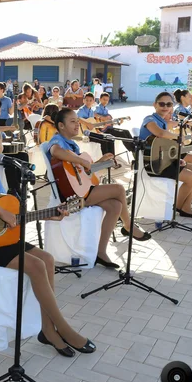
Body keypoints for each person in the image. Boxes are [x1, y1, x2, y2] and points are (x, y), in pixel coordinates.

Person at [0, 121, 95, 357]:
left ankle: (47, 330)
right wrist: (2, 213)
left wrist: (50, 216)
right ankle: (63, 328)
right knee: (36, 266)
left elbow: (12, 217)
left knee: (47, 259)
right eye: (1, 140)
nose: (3, 144)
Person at [46, 108, 152, 269]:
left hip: (82, 190)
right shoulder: (58, 141)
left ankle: (100, 252)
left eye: (77, 121)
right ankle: (128, 225)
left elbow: (84, 171)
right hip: (71, 196)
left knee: (115, 206)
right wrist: (81, 161)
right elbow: (56, 151)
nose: (77, 124)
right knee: (119, 189)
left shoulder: (72, 144)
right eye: (73, 121)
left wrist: (101, 161)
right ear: (61, 125)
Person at [139, 92, 192, 218]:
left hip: (163, 161)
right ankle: (181, 207)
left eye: (168, 104)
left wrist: (176, 158)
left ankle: (185, 206)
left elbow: (163, 145)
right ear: (155, 105)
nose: (165, 107)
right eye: (162, 104)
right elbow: (161, 134)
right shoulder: (150, 119)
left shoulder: (162, 121)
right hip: (152, 165)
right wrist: (179, 137)